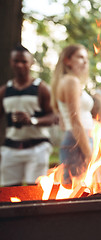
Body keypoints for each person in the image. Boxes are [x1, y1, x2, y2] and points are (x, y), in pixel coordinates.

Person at [0, 45, 58, 186]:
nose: (20, 65)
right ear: (11, 62)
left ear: (31, 63)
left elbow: (54, 117)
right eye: (16, 61)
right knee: (9, 191)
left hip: (37, 147)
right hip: (11, 148)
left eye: (24, 61)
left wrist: (32, 120)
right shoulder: (4, 91)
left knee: (36, 190)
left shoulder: (41, 88)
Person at [50, 44, 93, 184]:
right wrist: (90, 154)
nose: (85, 61)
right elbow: (75, 120)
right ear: (67, 60)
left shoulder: (67, 81)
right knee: (77, 193)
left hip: (76, 139)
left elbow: (64, 121)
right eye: (80, 57)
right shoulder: (71, 81)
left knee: (78, 191)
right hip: (78, 142)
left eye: (86, 58)